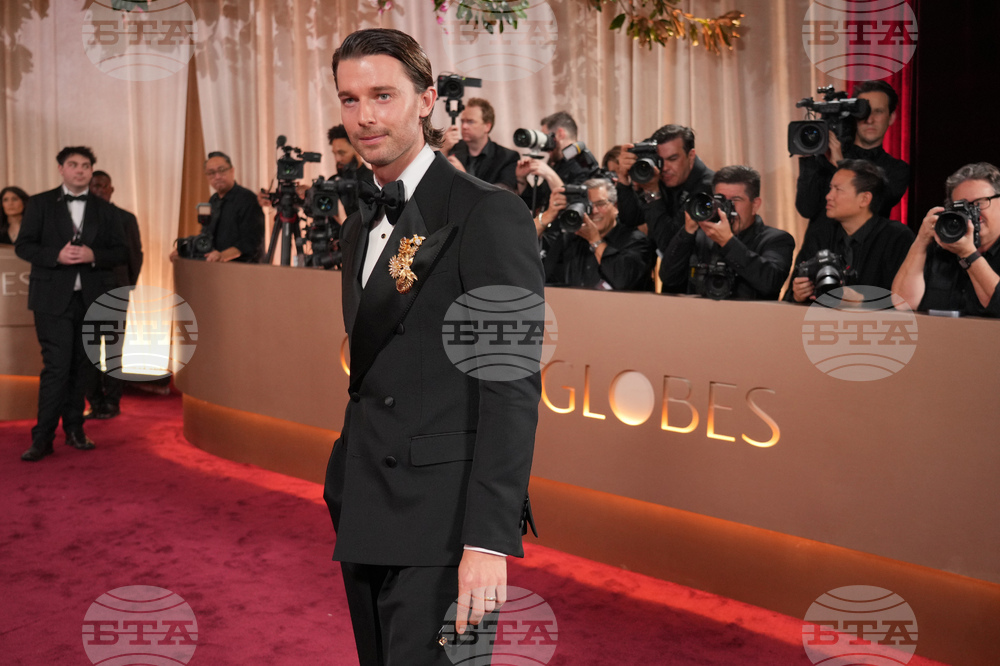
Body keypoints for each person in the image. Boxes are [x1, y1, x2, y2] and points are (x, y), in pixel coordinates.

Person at [323, 28, 543, 666]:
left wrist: (489, 541)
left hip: (446, 524)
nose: (365, 116)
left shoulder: (487, 212)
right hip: (364, 505)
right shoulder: (358, 225)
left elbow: (510, 386)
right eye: (349, 99)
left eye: (383, 95)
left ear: (425, 100)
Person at [14, 146, 127, 461]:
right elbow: (24, 246)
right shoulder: (39, 203)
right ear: (61, 169)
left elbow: (122, 252)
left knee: (83, 367)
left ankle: (75, 430)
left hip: (92, 299)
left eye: (86, 165)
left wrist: (94, 255)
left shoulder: (105, 210)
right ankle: (42, 437)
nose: (80, 170)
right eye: (73, 164)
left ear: (91, 170)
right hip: (51, 300)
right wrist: (56, 255)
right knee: (57, 367)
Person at [786, 159, 913, 304]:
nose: (828, 196)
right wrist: (797, 295)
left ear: (864, 199)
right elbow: (790, 296)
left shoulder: (897, 238)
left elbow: (905, 300)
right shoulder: (820, 235)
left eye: (838, 190)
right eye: (830, 188)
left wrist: (862, 303)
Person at [660, 166, 795, 300]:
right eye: (721, 199)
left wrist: (728, 242)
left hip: (751, 313)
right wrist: (687, 232)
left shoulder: (776, 239)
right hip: (700, 312)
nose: (727, 207)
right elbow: (669, 278)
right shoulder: (701, 236)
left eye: (735, 200)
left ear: (755, 205)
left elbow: (770, 282)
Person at [892, 162, 1000, 317]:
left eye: (979, 204)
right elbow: (902, 304)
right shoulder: (941, 247)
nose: (972, 214)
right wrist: (921, 241)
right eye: (962, 207)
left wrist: (968, 254)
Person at [796, 80, 910, 223]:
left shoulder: (897, 170)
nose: (869, 120)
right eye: (864, 112)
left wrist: (840, 164)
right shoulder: (826, 156)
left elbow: (873, 208)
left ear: (891, 117)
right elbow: (806, 209)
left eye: (878, 111)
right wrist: (809, 155)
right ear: (854, 115)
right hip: (819, 238)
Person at [84, 170, 143, 419]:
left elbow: (135, 256)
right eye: (93, 186)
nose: (98, 190)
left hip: (115, 291)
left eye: (102, 186)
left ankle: (112, 401)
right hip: (85, 291)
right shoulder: (79, 218)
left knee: (112, 349)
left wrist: (127, 286)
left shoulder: (125, 218)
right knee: (88, 349)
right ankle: (95, 401)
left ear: (111, 189)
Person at [615, 124, 715, 258]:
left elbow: (670, 245)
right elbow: (631, 220)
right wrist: (623, 180)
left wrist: (652, 193)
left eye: (672, 159)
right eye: (660, 160)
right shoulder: (661, 175)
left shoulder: (708, 188)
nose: (665, 167)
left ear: (691, 156)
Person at [538, 177, 655, 290]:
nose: (594, 211)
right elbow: (528, 248)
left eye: (600, 204)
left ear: (615, 207)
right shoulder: (570, 239)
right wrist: (548, 215)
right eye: (587, 205)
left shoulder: (636, 240)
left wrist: (595, 241)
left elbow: (622, 280)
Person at [172, 151, 264, 263]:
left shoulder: (248, 199)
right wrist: (184, 250)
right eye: (211, 173)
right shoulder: (213, 200)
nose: (217, 177)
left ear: (232, 170)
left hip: (243, 267)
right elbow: (206, 235)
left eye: (222, 170)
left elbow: (251, 241)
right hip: (216, 266)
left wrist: (223, 255)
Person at [515, 111, 592, 214]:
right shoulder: (555, 162)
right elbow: (536, 202)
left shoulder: (584, 163)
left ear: (560, 134)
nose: (544, 145)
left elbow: (573, 205)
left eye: (546, 137)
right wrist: (521, 179)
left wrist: (549, 174)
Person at [439, 97, 519, 190]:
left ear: (487, 126)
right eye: (462, 121)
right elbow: (433, 182)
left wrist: (464, 177)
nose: (464, 126)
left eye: (470, 122)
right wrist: (443, 150)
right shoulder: (452, 148)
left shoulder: (507, 157)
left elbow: (499, 194)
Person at [328, 123, 374, 216]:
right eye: (334, 153)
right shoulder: (331, 182)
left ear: (358, 150)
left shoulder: (373, 181)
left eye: (342, 153)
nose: (337, 159)